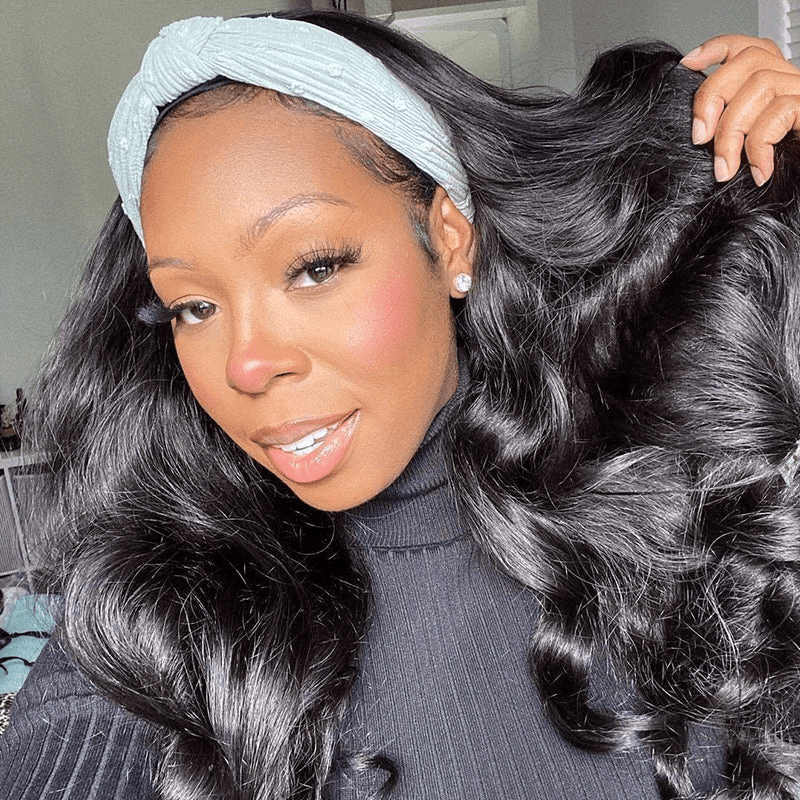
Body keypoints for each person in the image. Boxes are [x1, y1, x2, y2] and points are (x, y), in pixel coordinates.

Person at [2, 10, 800, 800]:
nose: (246, 364)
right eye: (194, 307)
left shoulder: (689, 520)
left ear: (448, 238)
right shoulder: (156, 614)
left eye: (314, 267)